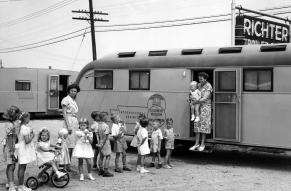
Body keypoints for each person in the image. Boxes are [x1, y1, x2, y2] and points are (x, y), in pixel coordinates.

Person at [189, 72, 213, 152]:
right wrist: (190, 98)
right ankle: (196, 143)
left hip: (205, 107)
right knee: (197, 125)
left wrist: (195, 102)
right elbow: (194, 93)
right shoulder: (198, 85)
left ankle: (202, 144)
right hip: (198, 107)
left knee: (204, 126)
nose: (200, 81)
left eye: (201, 79)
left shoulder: (208, 86)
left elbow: (205, 98)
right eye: (199, 79)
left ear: (205, 79)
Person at [2, 106, 21, 191]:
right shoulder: (10, 125)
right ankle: (11, 186)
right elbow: (9, 139)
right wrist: (12, 152)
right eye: (18, 115)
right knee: (11, 167)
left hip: (11, 147)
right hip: (10, 148)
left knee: (10, 166)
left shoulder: (11, 124)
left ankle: (9, 182)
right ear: (14, 116)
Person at [16, 112, 36, 191]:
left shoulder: (20, 126)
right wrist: (33, 135)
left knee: (21, 167)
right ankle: (21, 186)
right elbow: (27, 141)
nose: (29, 119)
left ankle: (20, 185)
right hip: (24, 149)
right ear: (25, 118)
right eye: (29, 118)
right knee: (22, 167)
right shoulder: (25, 128)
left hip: (21, 147)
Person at [61, 83, 80, 165]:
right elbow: (64, 113)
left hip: (74, 121)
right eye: (72, 91)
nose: (73, 92)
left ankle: (68, 164)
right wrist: (68, 125)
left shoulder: (73, 101)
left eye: (75, 91)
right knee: (68, 145)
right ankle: (65, 164)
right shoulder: (66, 99)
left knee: (72, 145)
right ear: (68, 91)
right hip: (69, 121)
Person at [97, 112, 114, 177]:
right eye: (107, 117)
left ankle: (100, 170)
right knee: (108, 156)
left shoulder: (98, 125)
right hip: (105, 142)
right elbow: (106, 136)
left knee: (101, 156)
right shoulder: (106, 126)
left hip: (100, 141)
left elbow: (97, 135)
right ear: (104, 117)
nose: (108, 118)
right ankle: (106, 171)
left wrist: (99, 143)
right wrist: (102, 144)